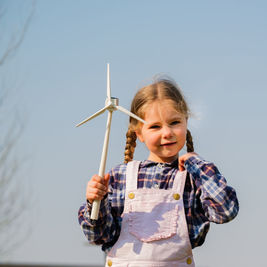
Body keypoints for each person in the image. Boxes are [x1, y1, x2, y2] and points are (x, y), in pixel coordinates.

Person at [78, 77, 239, 267]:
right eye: (155, 126)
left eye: (174, 122)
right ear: (139, 132)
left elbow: (226, 211)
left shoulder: (192, 178)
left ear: (186, 122)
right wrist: (95, 201)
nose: (167, 133)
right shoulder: (119, 177)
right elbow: (98, 236)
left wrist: (195, 163)